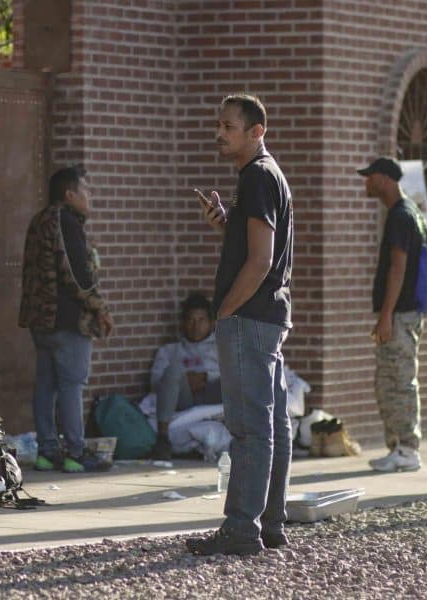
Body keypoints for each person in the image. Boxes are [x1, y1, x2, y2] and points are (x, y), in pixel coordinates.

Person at [185, 94, 294, 556]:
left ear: (257, 132)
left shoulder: (257, 177)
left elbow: (261, 260)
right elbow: (254, 246)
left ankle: (241, 529)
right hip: (268, 318)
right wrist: (225, 225)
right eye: (219, 124)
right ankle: (269, 524)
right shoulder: (265, 177)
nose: (219, 133)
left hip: (250, 319)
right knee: (275, 425)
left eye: (229, 126)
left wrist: (225, 310)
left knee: (250, 427)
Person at [18, 165, 114, 473]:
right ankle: (75, 451)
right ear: (69, 194)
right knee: (72, 385)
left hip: (40, 321)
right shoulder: (65, 221)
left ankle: (47, 451)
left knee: (46, 385)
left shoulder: (39, 220)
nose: (90, 196)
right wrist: (100, 307)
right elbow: (76, 273)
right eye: (85, 190)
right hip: (66, 320)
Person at [359, 157, 426, 473]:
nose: (367, 183)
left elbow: (398, 268)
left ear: (385, 178)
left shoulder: (401, 216)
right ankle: (398, 448)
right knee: (388, 382)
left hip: (399, 315)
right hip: (400, 314)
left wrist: (385, 315)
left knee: (399, 381)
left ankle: (407, 449)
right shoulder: (407, 212)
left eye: (370, 177)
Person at [149, 292, 221, 460]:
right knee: (173, 369)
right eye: (191, 320)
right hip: (184, 399)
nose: (195, 326)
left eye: (201, 320)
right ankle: (163, 439)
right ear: (183, 323)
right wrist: (186, 379)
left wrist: (205, 377)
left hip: (213, 395)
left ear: (211, 323)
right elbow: (154, 382)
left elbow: (235, 374)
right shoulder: (169, 350)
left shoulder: (220, 348)